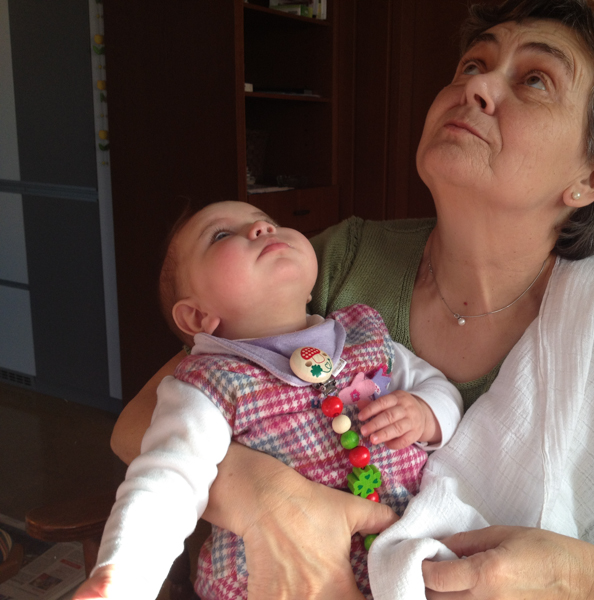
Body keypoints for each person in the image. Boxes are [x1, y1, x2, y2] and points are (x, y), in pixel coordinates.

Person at [110, 1, 594, 598]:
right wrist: (263, 497)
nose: (476, 87)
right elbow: (143, 420)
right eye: (473, 64)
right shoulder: (340, 260)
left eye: (534, 79)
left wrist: (579, 580)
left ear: (591, 176)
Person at [74, 201, 462, 599]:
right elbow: (166, 480)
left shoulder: (365, 335)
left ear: (311, 287)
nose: (261, 228)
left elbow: (442, 390)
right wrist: (123, 576)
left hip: (409, 563)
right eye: (221, 235)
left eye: (268, 222)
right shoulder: (209, 384)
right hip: (276, 581)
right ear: (197, 317)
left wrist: (424, 413)